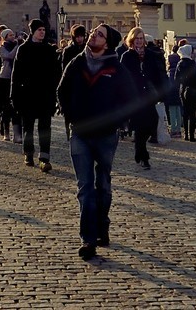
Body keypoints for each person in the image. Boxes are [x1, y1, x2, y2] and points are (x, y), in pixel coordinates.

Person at [56, 22, 138, 260]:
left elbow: (130, 97)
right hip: (80, 132)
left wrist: (118, 120)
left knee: (103, 185)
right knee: (85, 188)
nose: (93, 36)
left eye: (99, 35)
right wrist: (71, 116)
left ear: (107, 42)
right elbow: (62, 90)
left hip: (105, 135)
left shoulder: (116, 67)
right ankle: (87, 239)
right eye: (93, 33)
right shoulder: (77, 63)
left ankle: (102, 225)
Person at [10, 18, 62, 172]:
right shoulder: (23, 49)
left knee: (45, 127)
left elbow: (56, 74)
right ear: (33, 31)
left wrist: (56, 94)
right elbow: (16, 74)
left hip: (45, 94)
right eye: (40, 30)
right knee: (28, 127)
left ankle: (44, 158)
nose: (42, 32)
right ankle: (28, 153)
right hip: (28, 94)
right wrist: (14, 95)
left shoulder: (49, 49)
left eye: (44, 30)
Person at [119, 28, 161, 168]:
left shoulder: (150, 54)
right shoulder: (127, 56)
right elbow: (122, 77)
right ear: (132, 40)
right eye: (136, 38)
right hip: (134, 96)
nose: (139, 41)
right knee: (139, 126)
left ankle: (139, 151)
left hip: (149, 95)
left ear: (144, 40)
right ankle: (144, 157)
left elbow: (157, 74)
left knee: (152, 123)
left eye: (141, 38)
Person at [0, 29, 21, 142]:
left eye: (13, 34)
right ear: (5, 37)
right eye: (10, 35)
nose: (13, 36)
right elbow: (10, 56)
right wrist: (18, 46)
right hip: (5, 78)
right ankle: (6, 132)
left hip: (16, 77)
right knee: (6, 106)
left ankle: (17, 134)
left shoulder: (18, 46)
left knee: (16, 107)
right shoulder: (1, 48)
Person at [175, 47, 196, 142]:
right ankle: (192, 135)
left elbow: (176, 79)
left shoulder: (180, 63)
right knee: (192, 113)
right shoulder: (191, 63)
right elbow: (195, 78)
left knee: (185, 113)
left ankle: (186, 134)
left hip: (183, 90)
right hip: (193, 90)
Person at [165, 43, 185, 138]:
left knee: (172, 111)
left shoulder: (169, 73)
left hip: (171, 93)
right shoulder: (179, 69)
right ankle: (179, 130)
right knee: (178, 110)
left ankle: (173, 129)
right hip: (179, 91)